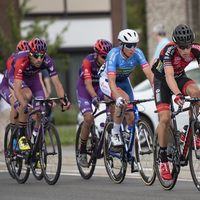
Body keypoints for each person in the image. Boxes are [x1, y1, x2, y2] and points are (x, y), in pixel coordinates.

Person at [99, 29, 153, 171]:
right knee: (124, 99)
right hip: (108, 80)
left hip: (123, 81)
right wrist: (117, 97)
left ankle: (131, 156)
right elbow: (111, 81)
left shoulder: (138, 53)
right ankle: (116, 133)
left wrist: (156, 89)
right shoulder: (113, 55)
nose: (132, 48)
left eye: (134, 44)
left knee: (132, 117)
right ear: (121, 44)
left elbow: (149, 74)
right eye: (129, 45)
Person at [152, 24, 200, 180]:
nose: (186, 50)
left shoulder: (196, 49)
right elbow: (169, 77)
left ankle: (189, 130)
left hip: (179, 77)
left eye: (188, 46)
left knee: (196, 93)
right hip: (162, 80)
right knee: (165, 119)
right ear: (175, 44)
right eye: (182, 47)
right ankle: (163, 159)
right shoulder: (168, 50)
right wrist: (178, 94)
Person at [8, 37, 70, 151]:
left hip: (33, 78)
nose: (39, 59)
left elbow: (57, 84)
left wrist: (63, 100)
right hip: (16, 77)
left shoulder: (47, 60)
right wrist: (24, 104)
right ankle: (22, 136)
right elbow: (16, 90)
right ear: (30, 54)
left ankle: (35, 139)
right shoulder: (21, 59)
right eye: (36, 56)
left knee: (41, 110)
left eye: (42, 56)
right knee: (26, 96)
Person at [76, 39, 113, 167]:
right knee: (88, 118)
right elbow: (87, 84)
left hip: (101, 86)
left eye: (108, 57)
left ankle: (112, 131)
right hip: (86, 88)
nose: (106, 60)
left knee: (112, 101)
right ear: (96, 54)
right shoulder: (88, 61)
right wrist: (94, 97)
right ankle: (82, 150)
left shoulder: (110, 61)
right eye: (103, 57)